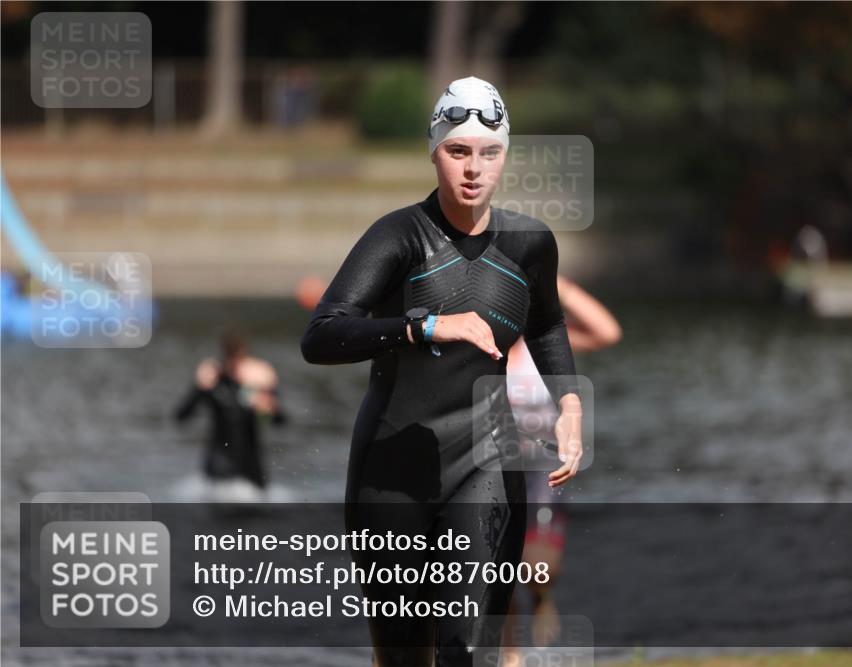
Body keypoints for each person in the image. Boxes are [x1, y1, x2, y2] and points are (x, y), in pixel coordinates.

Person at [300, 75, 584, 667]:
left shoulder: (530, 244)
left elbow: (548, 326)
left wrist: (571, 406)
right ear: (435, 152)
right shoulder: (399, 237)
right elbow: (322, 335)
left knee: (472, 650)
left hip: (487, 463)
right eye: (457, 151)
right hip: (393, 469)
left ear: (505, 154)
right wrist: (423, 325)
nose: (473, 169)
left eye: (489, 152)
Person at [501, 275, 621, 666]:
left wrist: (558, 286)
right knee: (498, 566)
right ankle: (513, 656)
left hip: (543, 465)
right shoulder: (484, 343)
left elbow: (608, 332)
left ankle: (541, 597)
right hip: (495, 464)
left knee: (536, 566)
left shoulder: (548, 343)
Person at [175, 330, 286, 491]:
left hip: (251, 464)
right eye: (231, 358)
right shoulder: (213, 383)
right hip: (219, 462)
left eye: (239, 359)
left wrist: (269, 405)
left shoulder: (257, 383)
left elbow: (280, 422)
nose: (235, 365)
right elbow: (181, 417)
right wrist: (199, 388)